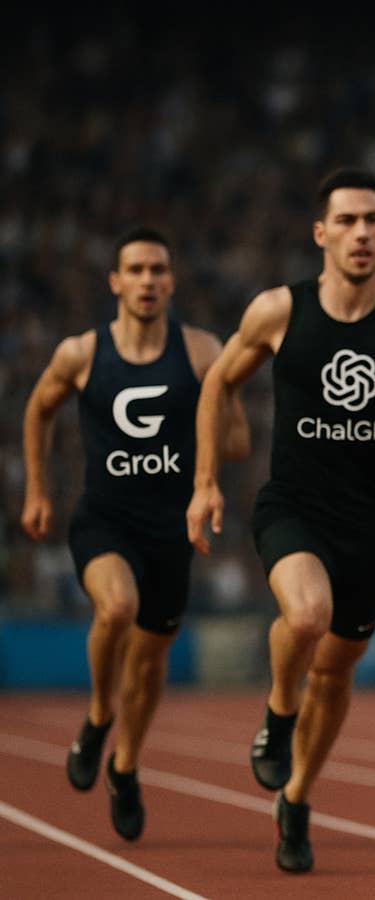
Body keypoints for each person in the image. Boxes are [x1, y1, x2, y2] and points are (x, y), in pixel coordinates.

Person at [186, 167, 375, 873]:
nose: (360, 232)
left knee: (337, 675)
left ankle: (297, 799)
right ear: (321, 234)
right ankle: (279, 710)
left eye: (372, 220)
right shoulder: (278, 311)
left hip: (369, 527)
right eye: (346, 221)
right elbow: (217, 381)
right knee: (307, 615)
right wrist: (205, 482)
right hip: (292, 508)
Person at [21, 227, 249, 841]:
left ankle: (125, 766)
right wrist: (37, 490)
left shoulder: (201, 351)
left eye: (158, 270)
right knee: (116, 607)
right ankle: (99, 715)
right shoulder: (81, 353)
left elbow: (237, 442)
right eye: (137, 270)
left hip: (172, 530)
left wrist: (217, 416)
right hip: (104, 518)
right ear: (116, 282)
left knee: (149, 664)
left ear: (171, 282)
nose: (148, 280)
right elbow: (38, 409)